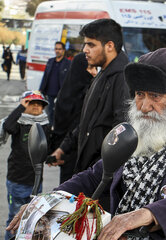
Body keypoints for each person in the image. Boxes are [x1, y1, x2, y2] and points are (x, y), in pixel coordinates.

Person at [7, 48, 166, 240]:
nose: (144, 106)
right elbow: (94, 176)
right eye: (139, 94)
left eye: (155, 96)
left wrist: (148, 213)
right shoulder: (134, 137)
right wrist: (46, 202)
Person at [50, 19, 130, 176]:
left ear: (109, 46)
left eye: (91, 45)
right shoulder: (101, 75)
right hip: (86, 172)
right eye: (85, 44)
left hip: (100, 178)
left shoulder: (122, 78)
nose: (84, 49)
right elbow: (87, 122)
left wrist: (98, 174)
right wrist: (63, 148)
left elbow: (120, 134)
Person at [3, 91, 50, 240]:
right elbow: (7, 127)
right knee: (15, 219)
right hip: (17, 180)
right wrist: (20, 108)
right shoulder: (19, 123)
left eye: (39, 104)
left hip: (36, 181)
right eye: (32, 103)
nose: (36, 107)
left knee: (32, 220)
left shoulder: (45, 124)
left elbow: (50, 147)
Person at [52, 52, 97, 183]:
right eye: (90, 68)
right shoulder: (85, 96)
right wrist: (59, 149)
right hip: (71, 154)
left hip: (75, 154)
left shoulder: (68, 93)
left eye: (95, 68)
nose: (94, 73)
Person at [39, 41, 71, 126]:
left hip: (61, 94)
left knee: (60, 115)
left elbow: (70, 80)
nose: (57, 51)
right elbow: (45, 76)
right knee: (50, 114)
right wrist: (41, 90)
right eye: (56, 49)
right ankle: (50, 131)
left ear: (63, 50)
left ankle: (57, 131)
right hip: (49, 94)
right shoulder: (50, 61)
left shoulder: (68, 63)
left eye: (60, 49)